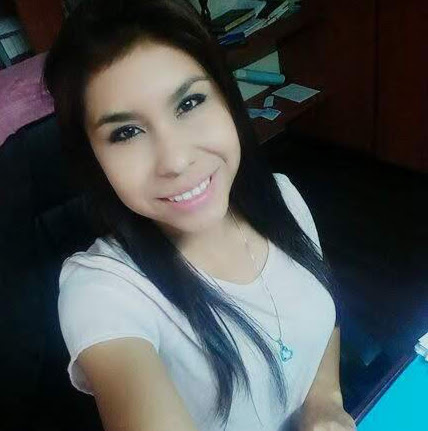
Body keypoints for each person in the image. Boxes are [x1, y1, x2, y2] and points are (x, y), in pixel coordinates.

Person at [43, 1, 355, 430]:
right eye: (126, 132)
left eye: (189, 103)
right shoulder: (102, 289)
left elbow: (323, 311)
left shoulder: (281, 197)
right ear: (93, 159)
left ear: (226, 97)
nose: (175, 160)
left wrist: (324, 401)